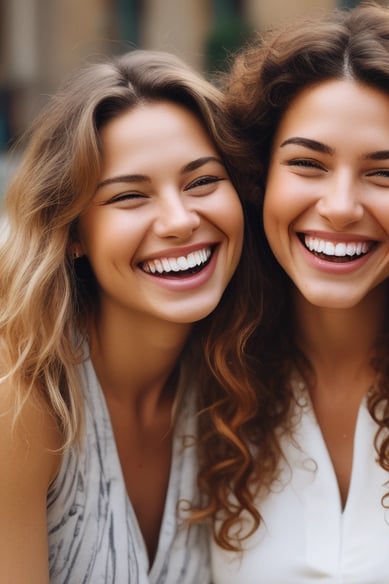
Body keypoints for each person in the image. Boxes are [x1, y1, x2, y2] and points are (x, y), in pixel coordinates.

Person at [194, 3, 389, 582]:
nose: (340, 206)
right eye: (308, 163)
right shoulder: (196, 379)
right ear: (258, 177)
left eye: (385, 173)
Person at [0, 49, 258, 583]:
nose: (180, 220)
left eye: (202, 181)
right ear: (72, 233)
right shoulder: (21, 393)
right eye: (130, 196)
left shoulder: (237, 382)